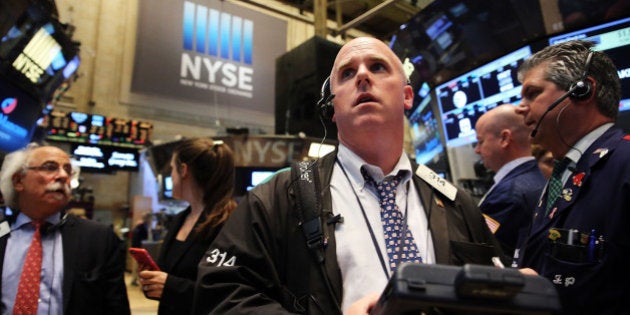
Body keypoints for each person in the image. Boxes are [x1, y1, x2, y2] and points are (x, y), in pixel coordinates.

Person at [194, 37, 502, 314]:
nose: (363, 76)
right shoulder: (277, 196)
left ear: (407, 96)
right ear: (333, 107)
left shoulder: (455, 203)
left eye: (378, 67)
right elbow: (219, 294)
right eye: (347, 73)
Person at [514, 39, 630, 314]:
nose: (520, 107)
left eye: (532, 93)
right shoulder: (563, 172)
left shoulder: (625, 162)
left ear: (582, 91)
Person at [0, 143, 130, 314]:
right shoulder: (2, 231)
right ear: (18, 181)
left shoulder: (97, 237)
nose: (62, 176)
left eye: (68, 170)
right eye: (49, 168)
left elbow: (116, 308)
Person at [138, 138, 237, 315]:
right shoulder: (179, 219)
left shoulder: (228, 224)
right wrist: (153, 280)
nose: (171, 175)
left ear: (183, 170)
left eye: (172, 169)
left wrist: (171, 288)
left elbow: (230, 293)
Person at [474, 104, 546, 256]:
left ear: (504, 139)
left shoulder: (508, 195)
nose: (477, 150)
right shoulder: (541, 176)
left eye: (480, 141)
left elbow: (485, 254)